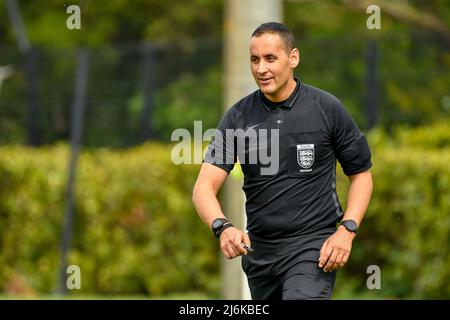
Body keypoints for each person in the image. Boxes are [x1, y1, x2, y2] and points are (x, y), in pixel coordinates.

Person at [192, 22, 373, 300]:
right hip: (260, 254)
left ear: (293, 58)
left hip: (311, 249)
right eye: (254, 60)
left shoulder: (327, 109)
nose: (261, 68)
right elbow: (204, 187)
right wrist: (222, 227)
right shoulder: (238, 116)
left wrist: (347, 230)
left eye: (270, 58)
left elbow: (361, 174)